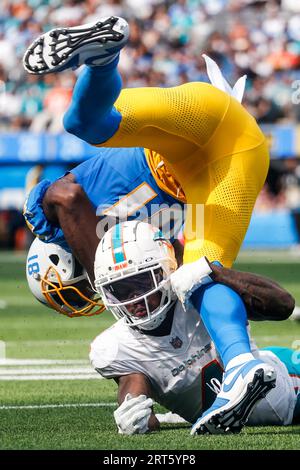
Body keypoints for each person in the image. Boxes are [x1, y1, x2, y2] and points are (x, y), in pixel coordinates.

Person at [23, 17, 277, 433]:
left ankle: (103, 60)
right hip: (214, 145)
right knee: (194, 275)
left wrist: (101, 276)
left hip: (206, 142)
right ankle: (242, 368)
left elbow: (63, 198)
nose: (91, 289)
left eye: (81, 285)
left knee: (197, 278)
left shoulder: (68, 210)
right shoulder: (141, 238)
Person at [26, 221, 297, 434]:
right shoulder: (116, 347)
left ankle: (241, 367)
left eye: (141, 283)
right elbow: (134, 386)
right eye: (120, 290)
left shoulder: (191, 291)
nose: (134, 299)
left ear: (166, 269)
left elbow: (283, 305)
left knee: (205, 285)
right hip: (259, 389)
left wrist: (214, 272)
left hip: (283, 383)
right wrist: (133, 414)